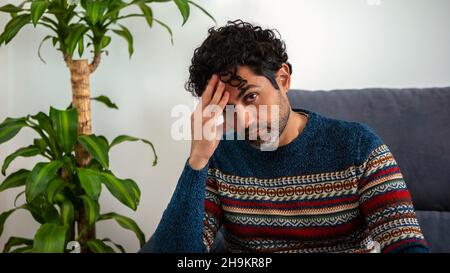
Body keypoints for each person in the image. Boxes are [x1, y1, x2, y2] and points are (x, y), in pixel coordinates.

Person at [140, 20, 429, 253]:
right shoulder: (219, 157)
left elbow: (407, 245)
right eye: (228, 109)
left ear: (283, 79)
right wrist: (198, 160)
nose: (242, 119)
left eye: (251, 96)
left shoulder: (357, 146)